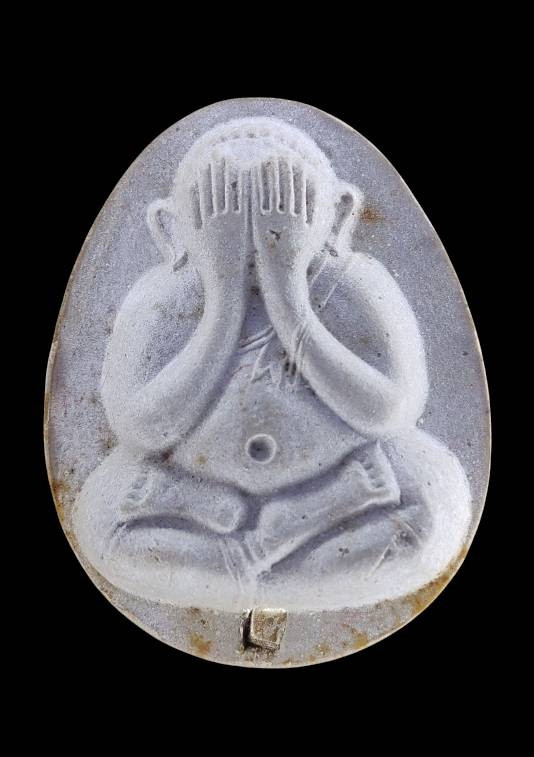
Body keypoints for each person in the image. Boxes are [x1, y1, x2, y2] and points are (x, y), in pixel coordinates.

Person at [74, 118, 471, 609]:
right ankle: (271, 548)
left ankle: (246, 560)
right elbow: (141, 429)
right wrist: (223, 299)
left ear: (337, 216)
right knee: (100, 520)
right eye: (218, 203)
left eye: (285, 199)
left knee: (434, 513)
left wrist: (287, 293)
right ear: (171, 228)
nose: (254, 229)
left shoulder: (355, 282)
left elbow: (389, 413)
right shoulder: (162, 296)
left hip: (344, 487)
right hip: (206, 502)